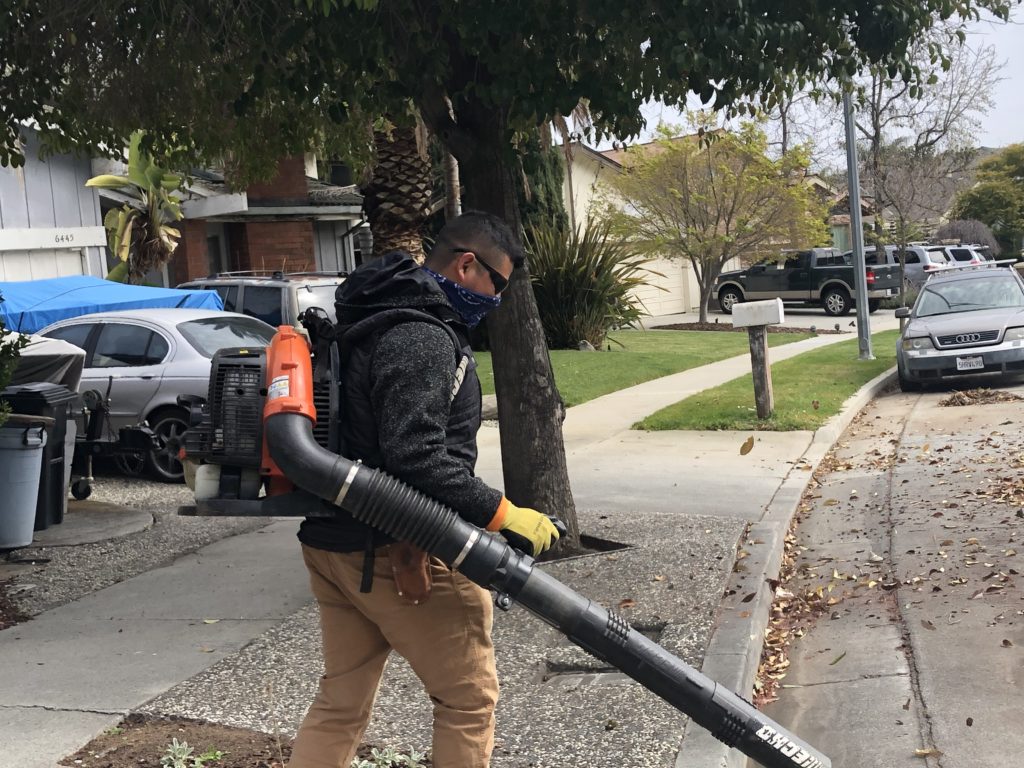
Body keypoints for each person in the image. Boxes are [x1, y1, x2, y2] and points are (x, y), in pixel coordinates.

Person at [288, 211, 562, 768]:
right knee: (467, 701)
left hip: (332, 544)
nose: (497, 300)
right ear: (467, 264)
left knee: (341, 702)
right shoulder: (421, 335)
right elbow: (416, 455)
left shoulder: (370, 318)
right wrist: (504, 514)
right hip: (402, 552)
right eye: (497, 285)